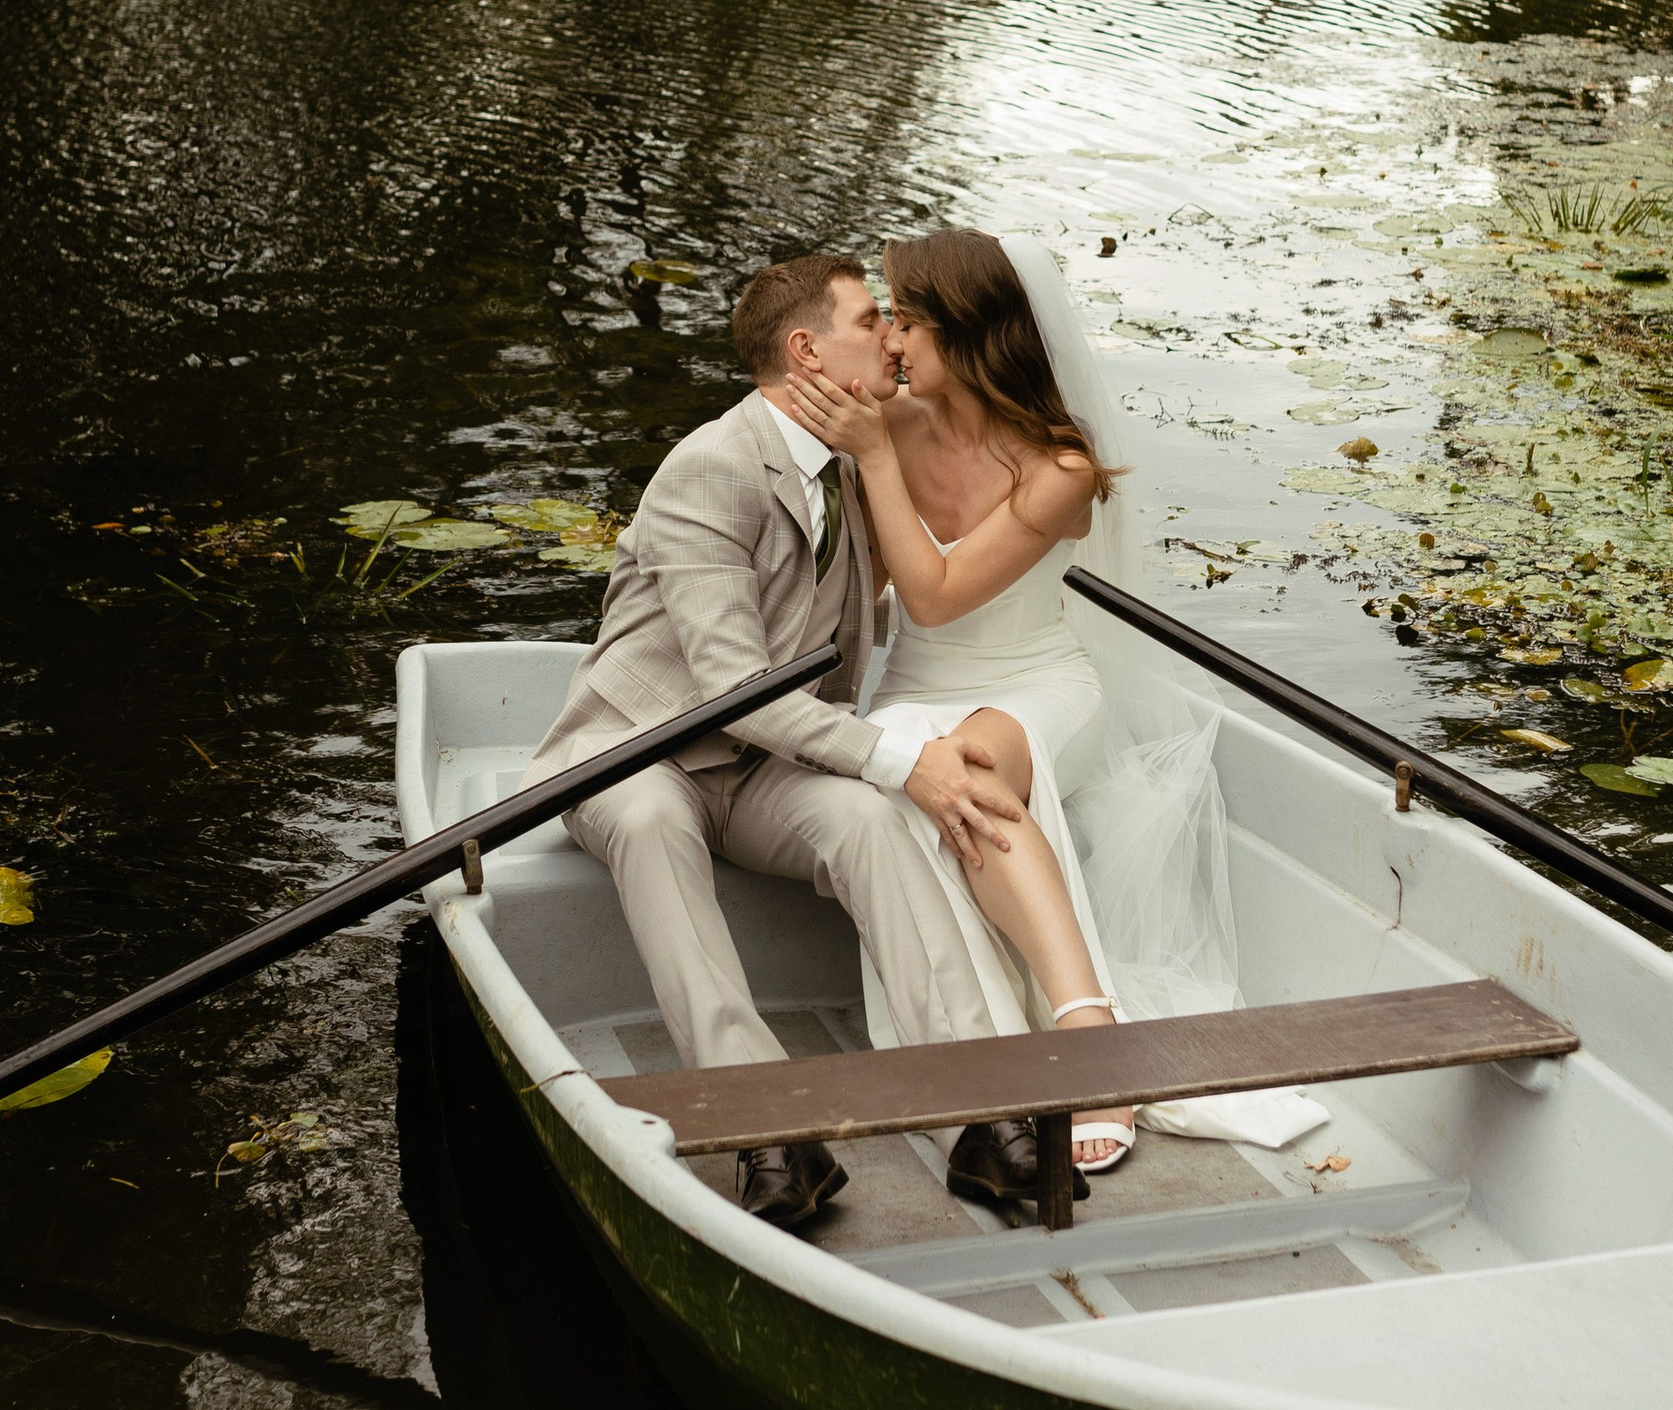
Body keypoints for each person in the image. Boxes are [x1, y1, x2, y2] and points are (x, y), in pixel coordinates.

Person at [523, 248, 1061, 1229]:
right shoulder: (710, 469)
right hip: (641, 747)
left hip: (762, 765)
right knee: (647, 819)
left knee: (864, 817)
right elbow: (731, 691)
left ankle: (981, 1109)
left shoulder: (857, 463)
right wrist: (908, 756)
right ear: (807, 350)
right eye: (870, 321)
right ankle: (763, 1121)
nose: (891, 339)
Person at [780, 227, 1328, 1178]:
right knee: (910, 766)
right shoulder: (893, 424)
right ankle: (993, 1042)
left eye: (908, 321)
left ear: (971, 331)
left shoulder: (1058, 468)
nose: (894, 342)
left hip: (1040, 686)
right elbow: (863, 585)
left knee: (975, 767)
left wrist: (871, 459)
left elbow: (938, 595)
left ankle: (1091, 1028)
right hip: (917, 687)